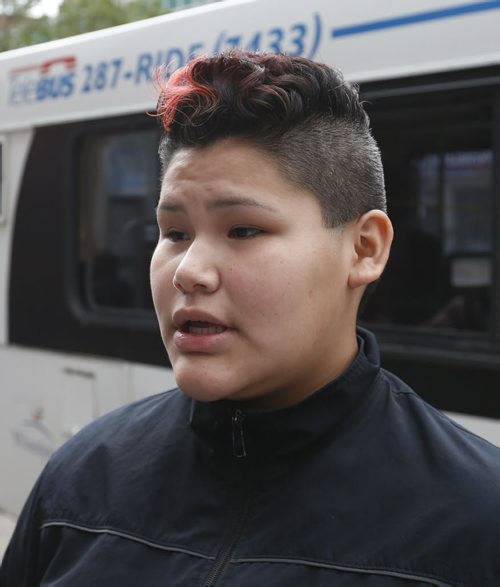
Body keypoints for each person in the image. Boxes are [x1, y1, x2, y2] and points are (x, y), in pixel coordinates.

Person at [1, 50, 499, 586]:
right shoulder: (81, 478)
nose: (189, 272)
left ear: (363, 249)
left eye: (243, 230)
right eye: (174, 233)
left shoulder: (475, 519)